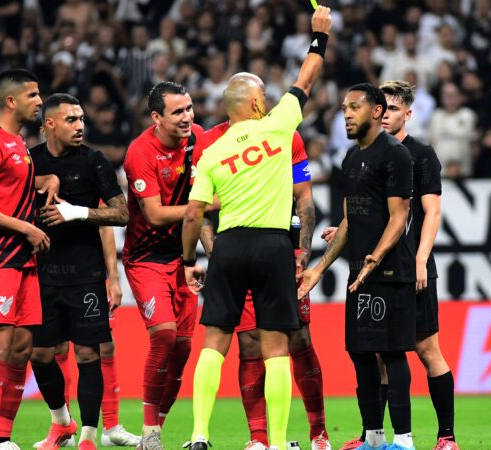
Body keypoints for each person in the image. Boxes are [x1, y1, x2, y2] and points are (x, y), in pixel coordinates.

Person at [181, 6, 332, 450]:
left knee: (214, 343)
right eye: (262, 95)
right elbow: (306, 78)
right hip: (271, 245)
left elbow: (194, 214)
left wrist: (191, 261)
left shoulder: (210, 151)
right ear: (254, 104)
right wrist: (319, 36)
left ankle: (199, 434)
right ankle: (281, 441)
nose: (267, 100)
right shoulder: (280, 127)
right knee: (276, 349)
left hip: (227, 246)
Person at [330, 80, 459, 450]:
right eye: (381, 109)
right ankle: (375, 435)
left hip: (411, 267)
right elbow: (362, 213)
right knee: (378, 352)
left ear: (408, 114)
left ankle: (446, 436)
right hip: (378, 270)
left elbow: (431, 212)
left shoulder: (420, 155)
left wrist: (420, 259)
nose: (385, 116)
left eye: (393, 110)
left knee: (426, 349)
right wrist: (340, 232)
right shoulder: (364, 154)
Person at [298, 82, 416, 450]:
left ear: (378, 112)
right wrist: (320, 267)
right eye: (344, 108)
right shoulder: (351, 159)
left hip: (390, 272)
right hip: (359, 276)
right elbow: (350, 220)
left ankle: (405, 439)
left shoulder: (395, 155)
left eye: (354, 107)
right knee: (361, 352)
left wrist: (375, 259)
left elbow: (400, 217)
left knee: (392, 351)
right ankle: (374, 437)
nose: (346, 114)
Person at [27, 93, 130, 450]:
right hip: (41, 276)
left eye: (82, 119)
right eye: (71, 119)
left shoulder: (94, 162)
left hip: (85, 275)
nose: (80, 126)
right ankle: (61, 423)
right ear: (49, 124)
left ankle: (88, 436)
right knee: (40, 355)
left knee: (89, 355)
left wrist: (78, 212)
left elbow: (122, 213)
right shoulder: (28, 162)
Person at [0, 68, 57, 450]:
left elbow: (12, 186)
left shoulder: (19, 144)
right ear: (11, 101)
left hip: (23, 261)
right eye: (34, 95)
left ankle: (3, 436)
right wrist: (25, 228)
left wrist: (45, 181)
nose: (40, 101)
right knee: (0, 344)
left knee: (21, 345)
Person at [122, 81, 204, 450]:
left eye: (189, 108)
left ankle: (157, 431)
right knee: (164, 336)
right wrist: (206, 206)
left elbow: (200, 208)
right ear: (156, 117)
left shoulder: (198, 140)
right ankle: (149, 430)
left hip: (183, 256)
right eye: (178, 111)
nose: (188, 117)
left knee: (184, 348)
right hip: (146, 258)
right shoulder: (140, 152)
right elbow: (154, 215)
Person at [33, 227, 140, 449]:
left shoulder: (90, 195)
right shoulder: (39, 192)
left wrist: (113, 277)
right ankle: (65, 428)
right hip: (50, 274)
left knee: (103, 346)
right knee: (57, 347)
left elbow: (104, 225)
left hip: (86, 274)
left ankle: (111, 427)